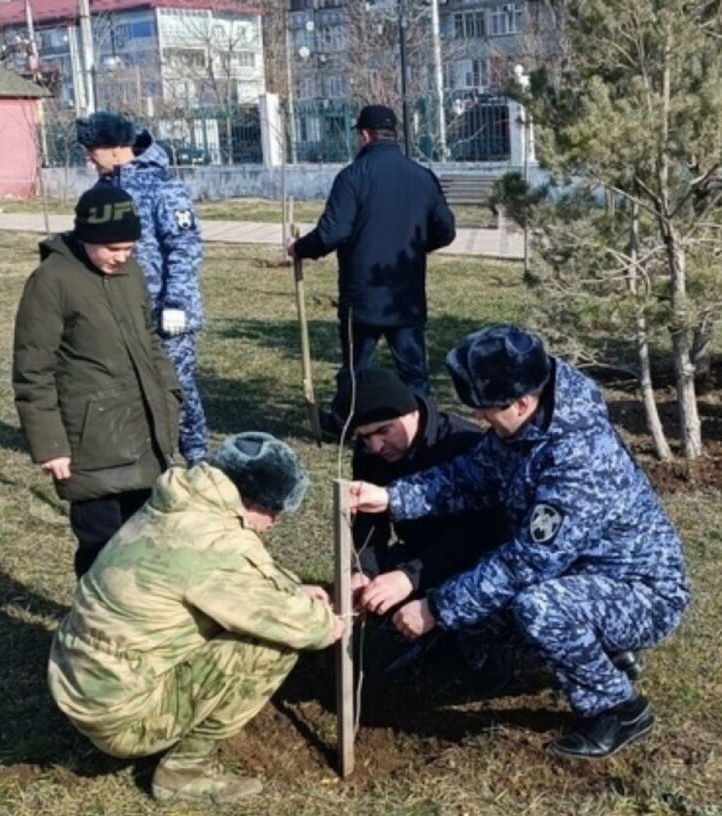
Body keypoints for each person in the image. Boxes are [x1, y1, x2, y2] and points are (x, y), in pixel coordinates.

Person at [348, 325, 689, 759]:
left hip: (641, 590)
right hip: (578, 572)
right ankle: (597, 652)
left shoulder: (578, 459)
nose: (479, 420)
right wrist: (391, 498)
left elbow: (525, 563)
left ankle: (618, 709)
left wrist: (434, 607)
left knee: (538, 607)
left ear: (521, 402)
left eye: (486, 412)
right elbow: (471, 476)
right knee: (480, 597)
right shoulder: (527, 425)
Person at [48, 433, 344, 804]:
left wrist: (292, 588)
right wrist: (326, 619)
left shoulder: (179, 505)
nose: (275, 523)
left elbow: (234, 576)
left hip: (78, 683)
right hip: (121, 718)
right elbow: (308, 627)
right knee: (272, 643)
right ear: (253, 501)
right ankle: (184, 773)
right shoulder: (218, 545)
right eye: (275, 511)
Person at [13, 185, 182, 577]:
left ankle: (138, 623)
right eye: (113, 249)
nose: (122, 257)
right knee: (102, 548)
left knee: (146, 539)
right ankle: (96, 627)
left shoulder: (131, 273)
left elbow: (149, 339)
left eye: (129, 248)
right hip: (90, 445)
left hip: (144, 433)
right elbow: (32, 372)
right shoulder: (51, 282)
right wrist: (51, 446)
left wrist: (169, 393)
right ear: (87, 236)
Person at [286, 104, 457, 438]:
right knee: (413, 370)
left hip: (361, 295)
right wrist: (413, 248)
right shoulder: (421, 177)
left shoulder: (353, 176)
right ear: (393, 135)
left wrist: (299, 249)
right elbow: (446, 230)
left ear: (364, 135)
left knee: (355, 367)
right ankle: (424, 429)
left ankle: (344, 423)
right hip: (405, 294)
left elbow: (332, 233)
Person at [343, 368, 511, 681]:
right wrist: (363, 570)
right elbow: (369, 519)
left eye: (384, 430)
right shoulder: (370, 454)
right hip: (420, 553)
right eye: (365, 437)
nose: (377, 446)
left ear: (411, 413)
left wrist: (411, 577)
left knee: (485, 624)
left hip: (479, 561)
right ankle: (429, 638)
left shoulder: (465, 443)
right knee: (373, 594)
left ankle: (484, 650)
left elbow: (481, 532)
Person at [77, 111, 209, 466]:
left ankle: (196, 454)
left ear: (118, 148)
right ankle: (151, 451)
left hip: (167, 311)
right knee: (132, 382)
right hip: (121, 307)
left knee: (176, 383)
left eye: (93, 149)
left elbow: (184, 247)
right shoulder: (102, 191)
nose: (89, 156)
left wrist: (176, 303)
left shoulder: (164, 187)